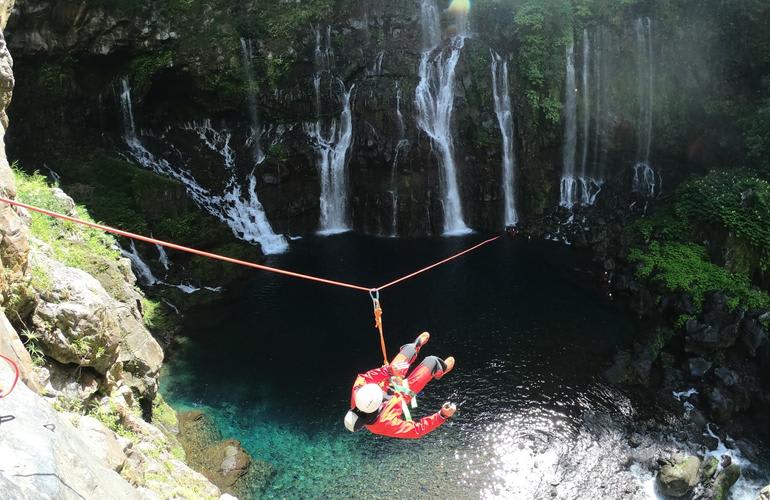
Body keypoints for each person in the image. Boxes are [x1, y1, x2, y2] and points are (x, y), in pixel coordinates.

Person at [344, 332, 456, 439]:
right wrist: (441, 415)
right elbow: (417, 430)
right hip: (404, 393)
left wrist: (388, 370)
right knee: (431, 361)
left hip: (390, 378)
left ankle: (415, 347)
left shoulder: (358, 396)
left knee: (408, 351)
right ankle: (440, 369)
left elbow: (364, 377)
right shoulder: (383, 425)